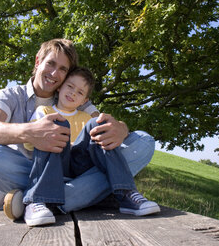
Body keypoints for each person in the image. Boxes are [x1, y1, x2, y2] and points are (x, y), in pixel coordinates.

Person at [0, 38, 157, 226]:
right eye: (50, 63)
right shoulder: (12, 96)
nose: (54, 73)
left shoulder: (74, 96)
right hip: (31, 170)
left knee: (144, 141)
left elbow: (101, 124)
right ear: (38, 62)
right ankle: (89, 195)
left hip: (79, 169)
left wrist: (121, 128)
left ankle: (39, 200)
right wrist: (30, 131)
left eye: (63, 69)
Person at [15, 67, 160, 226]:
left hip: (82, 167)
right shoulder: (44, 111)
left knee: (99, 123)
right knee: (54, 124)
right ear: (60, 87)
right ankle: (36, 200)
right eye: (70, 86)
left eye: (80, 92)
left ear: (85, 100)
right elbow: (30, 142)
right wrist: (60, 139)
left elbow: (95, 142)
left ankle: (126, 193)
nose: (73, 93)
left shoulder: (85, 117)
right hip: (56, 163)